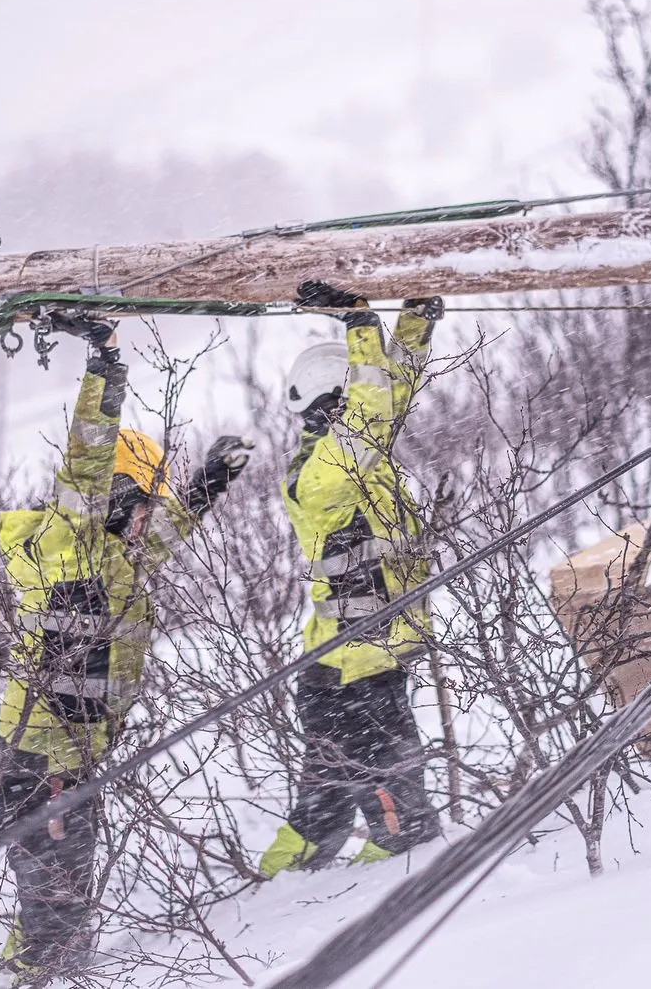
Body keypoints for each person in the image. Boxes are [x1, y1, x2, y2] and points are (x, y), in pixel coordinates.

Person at [0, 317, 253, 978]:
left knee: (60, 902)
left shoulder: (116, 557)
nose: (146, 520)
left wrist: (206, 487)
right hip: (42, 760)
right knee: (56, 908)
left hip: (70, 759)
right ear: (112, 498)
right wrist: (106, 365)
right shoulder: (69, 541)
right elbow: (88, 452)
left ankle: (33, 970)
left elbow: (164, 536)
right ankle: (40, 975)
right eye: (141, 505)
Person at [258, 281, 445, 879]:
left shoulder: (356, 458)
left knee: (332, 779)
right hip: (353, 657)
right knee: (386, 780)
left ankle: (290, 869)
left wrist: (415, 324)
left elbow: (386, 395)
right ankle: (392, 858)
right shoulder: (325, 475)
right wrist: (356, 322)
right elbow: (372, 407)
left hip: (350, 656)